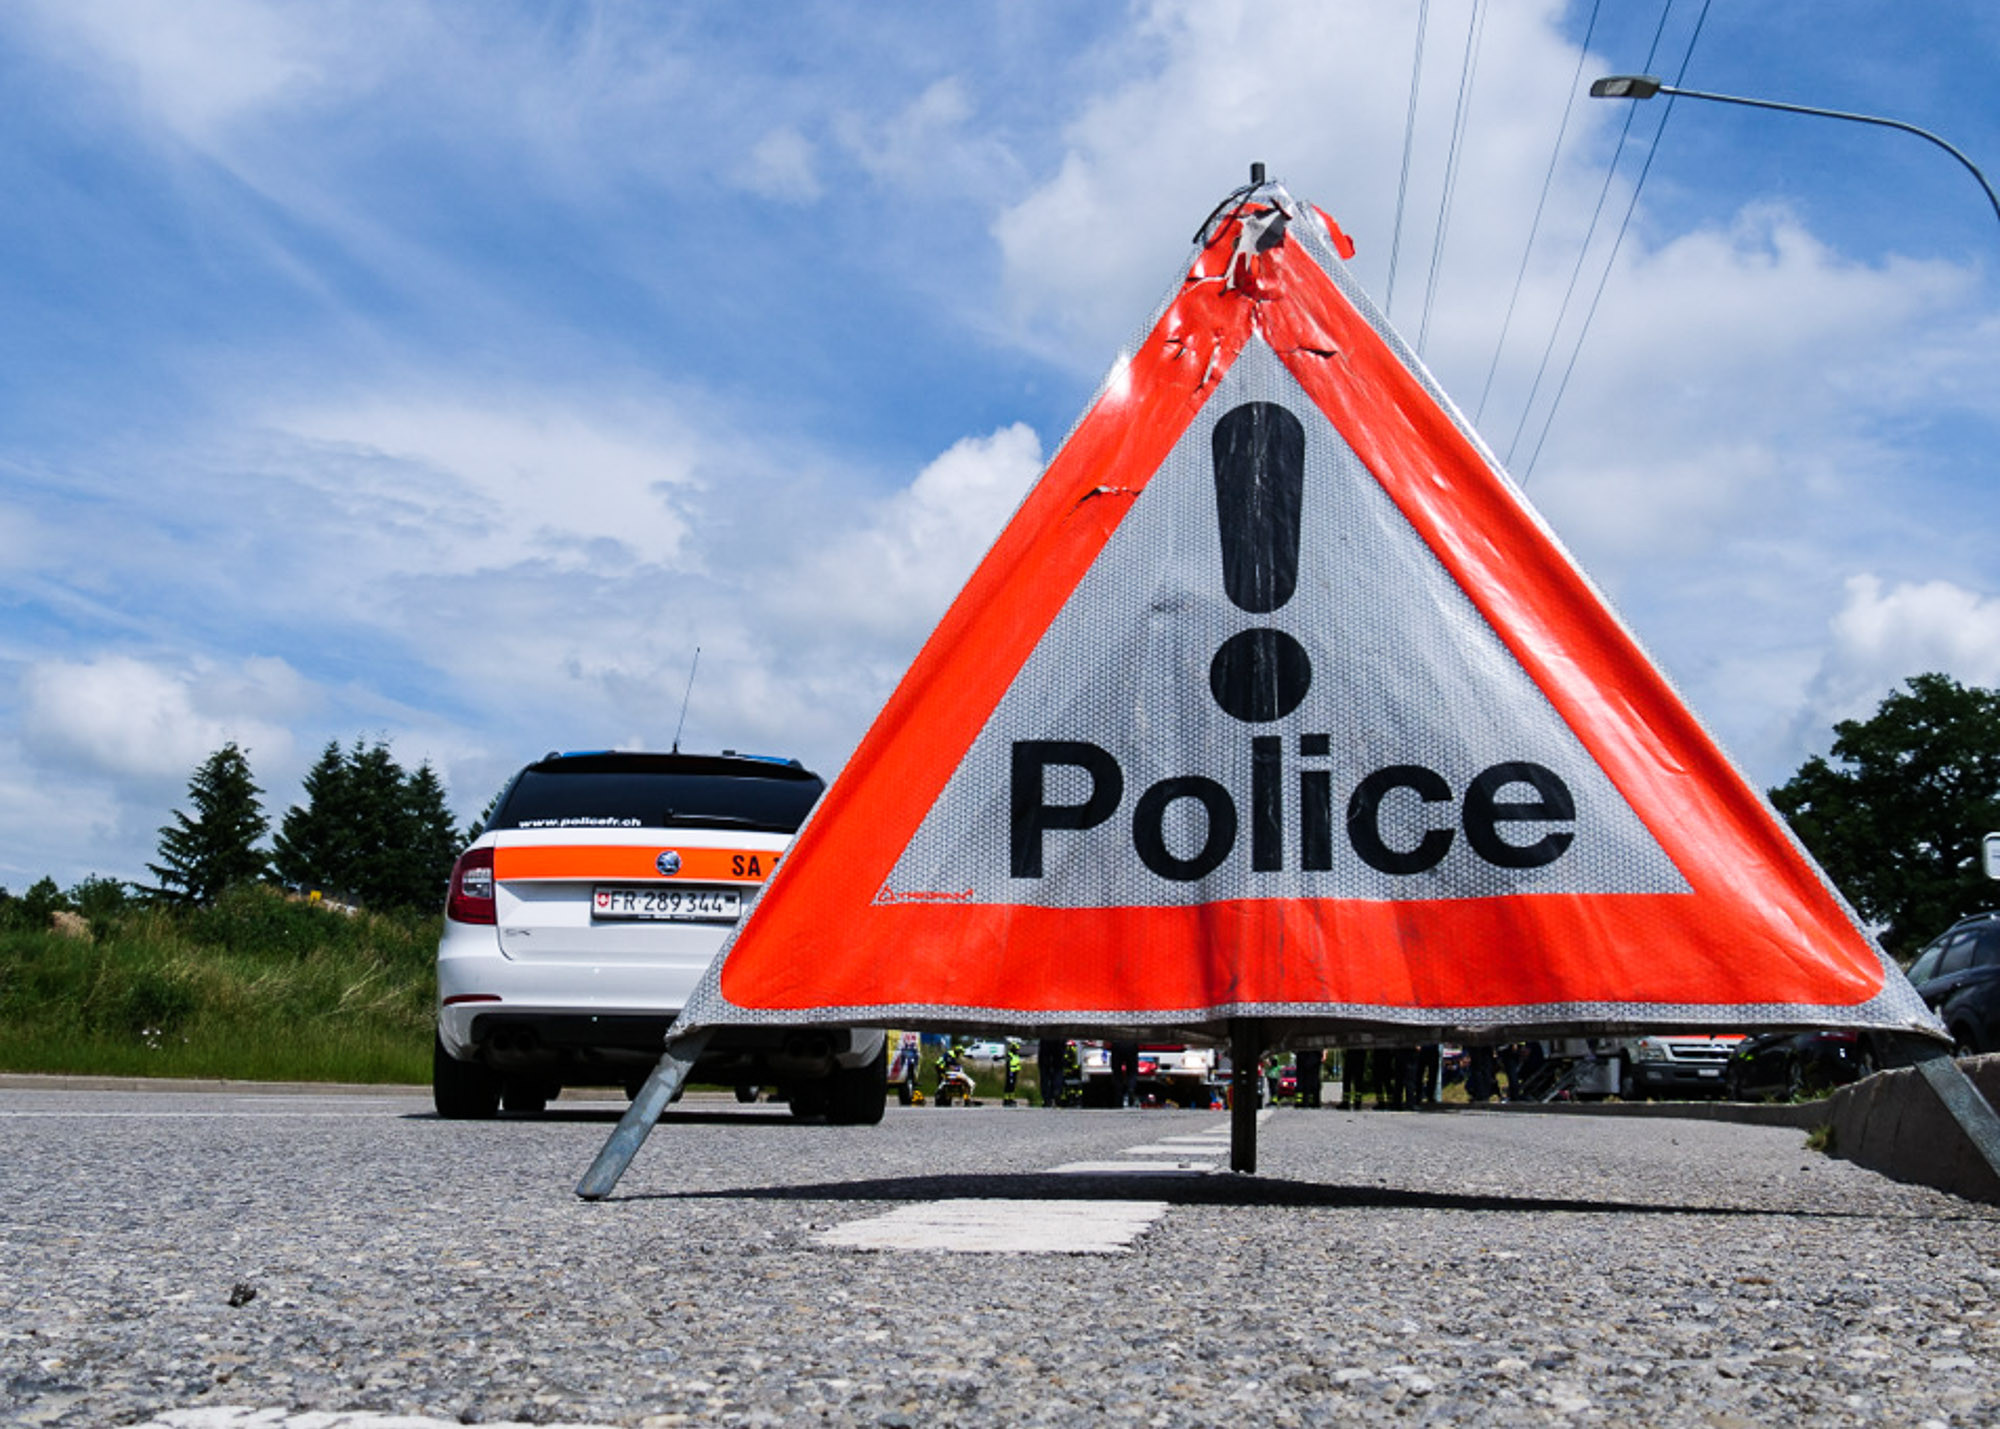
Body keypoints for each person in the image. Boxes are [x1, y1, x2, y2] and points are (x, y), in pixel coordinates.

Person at [1109, 1039, 1140, 1108]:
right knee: (1132, 1071)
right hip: (1131, 1045)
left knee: (1117, 1072)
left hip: (1117, 1045)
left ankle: (1118, 1094)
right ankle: (1131, 1089)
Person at [1038, 1037, 1065, 1107]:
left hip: (1046, 1039)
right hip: (1059, 1040)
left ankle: (1047, 1098)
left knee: (1045, 1069)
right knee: (1058, 1068)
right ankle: (1056, 1092)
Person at [1003, 1040, 1022, 1104]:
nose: (1017, 1051)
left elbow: (1016, 1063)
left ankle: (1011, 1098)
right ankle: (1006, 1099)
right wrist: (1010, 1073)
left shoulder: (1016, 1055)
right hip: (1010, 1073)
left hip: (1015, 1073)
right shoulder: (1010, 1055)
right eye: (1016, 1049)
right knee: (1009, 1086)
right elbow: (1009, 1065)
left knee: (1013, 1086)